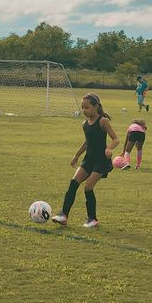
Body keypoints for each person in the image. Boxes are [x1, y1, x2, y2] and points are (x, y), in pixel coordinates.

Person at [52, 92, 119, 228]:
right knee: (73, 183)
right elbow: (87, 142)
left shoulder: (102, 121)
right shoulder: (85, 124)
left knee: (88, 188)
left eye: (87, 107)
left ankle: (93, 219)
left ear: (96, 107)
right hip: (88, 160)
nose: (84, 110)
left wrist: (109, 148)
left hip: (101, 161)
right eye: (82, 107)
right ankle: (63, 215)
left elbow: (116, 139)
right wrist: (76, 155)